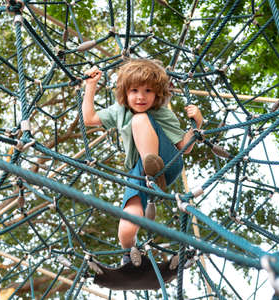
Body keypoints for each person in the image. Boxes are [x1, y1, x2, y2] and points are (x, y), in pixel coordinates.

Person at [82, 58, 203, 267]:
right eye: (134, 90)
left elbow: (184, 146)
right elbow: (89, 118)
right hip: (138, 172)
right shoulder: (119, 111)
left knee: (140, 119)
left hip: (167, 162)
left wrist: (197, 123)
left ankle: (153, 169)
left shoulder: (161, 112)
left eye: (148, 91)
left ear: (157, 93)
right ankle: (129, 254)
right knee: (127, 227)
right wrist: (91, 85)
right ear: (125, 93)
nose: (141, 97)